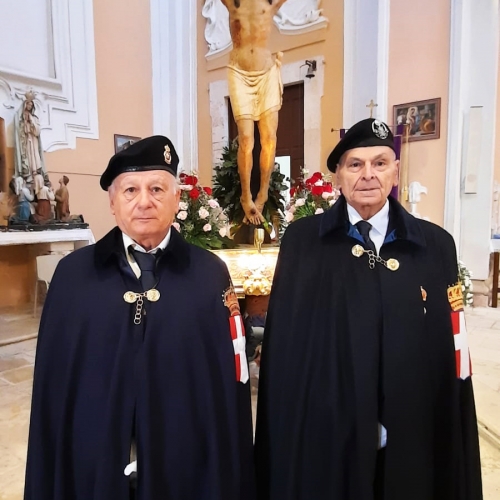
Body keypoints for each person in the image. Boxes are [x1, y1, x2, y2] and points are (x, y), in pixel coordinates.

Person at [254, 118, 482, 499]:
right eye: (355, 165)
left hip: (413, 427)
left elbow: (450, 349)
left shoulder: (435, 246)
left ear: (395, 171)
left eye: (379, 163)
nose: (368, 175)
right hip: (327, 430)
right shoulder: (304, 242)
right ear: (338, 176)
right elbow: (287, 350)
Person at [24, 136, 255, 500]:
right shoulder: (73, 278)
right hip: (93, 462)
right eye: (130, 189)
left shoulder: (209, 274)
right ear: (113, 203)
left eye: (157, 188)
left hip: (185, 463)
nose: (144, 201)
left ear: (177, 198)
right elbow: (55, 390)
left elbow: (226, 383)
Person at [221, 0, 288, 225]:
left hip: (266, 72)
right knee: (247, 140)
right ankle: (246, 195)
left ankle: (263, 192)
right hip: (239, 72)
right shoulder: (233, 3)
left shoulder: (269, 3)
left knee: (269, 138)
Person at [14, 91, 48, 182]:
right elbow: (20, 130)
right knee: (28, 155)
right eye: (28, 104)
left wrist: (31, 122)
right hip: (25, 139)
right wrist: (25, 122)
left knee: (34, 154)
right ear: (25, 105)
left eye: (31, 105)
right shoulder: (21, 117)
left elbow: (37, 131)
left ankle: (35, 172)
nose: (29, 106)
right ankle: (28, 173)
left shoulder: (34, 118)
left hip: (33, 139)